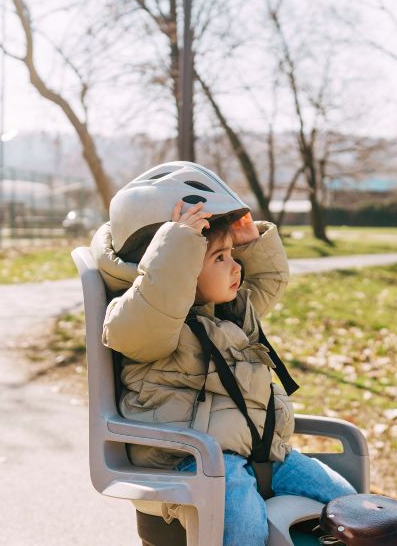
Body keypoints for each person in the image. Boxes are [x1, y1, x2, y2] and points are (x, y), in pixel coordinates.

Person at [91, 161, 355, 546]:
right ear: (172, 262)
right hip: (191, 461)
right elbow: (150, 314)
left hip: (264, 455)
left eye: (234, 255)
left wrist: (250, 242)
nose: (236, 268)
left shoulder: (227, 312)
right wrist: (178, 246)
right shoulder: (146, 318)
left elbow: (268, 282)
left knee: (356, 504)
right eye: (220, 258)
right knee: (243, 519)